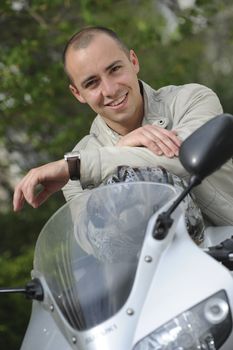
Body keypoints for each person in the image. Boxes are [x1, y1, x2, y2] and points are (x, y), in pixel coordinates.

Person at [13, 26, 233, 226]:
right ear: (78, 93)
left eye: (115, 69)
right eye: (92, 83)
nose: (109, 89)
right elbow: (96, 243)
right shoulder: (77, 164)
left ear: (134, 61)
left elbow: (186, 159)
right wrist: (120, 150)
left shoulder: (192, 99)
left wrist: (87, 165)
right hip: (165, 268)